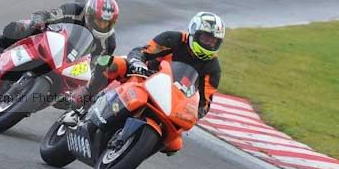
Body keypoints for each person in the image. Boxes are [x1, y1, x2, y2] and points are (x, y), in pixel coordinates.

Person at [67, 12, 225, 154]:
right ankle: (85, 97)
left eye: (213, 41)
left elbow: (204, 104)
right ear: (194, 32)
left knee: (174, 144)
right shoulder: (173, 39)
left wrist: (192, 113)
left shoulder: (213, 68)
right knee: (111, 63)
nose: (208, 44)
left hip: (171, 101)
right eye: (205, 38)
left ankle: (134, 149)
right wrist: (137, 62)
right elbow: (141, 51)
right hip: (143, 77)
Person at [0, 0, 120, 69]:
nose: (102, 25)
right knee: (20, 28)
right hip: (52, 40)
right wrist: (39, 20)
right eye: (99, 20)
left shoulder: (109, 44)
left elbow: (96, 66)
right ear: (89, 14)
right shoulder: (75, 9)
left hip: (71, 63)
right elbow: (49, 14)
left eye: (107, 23)